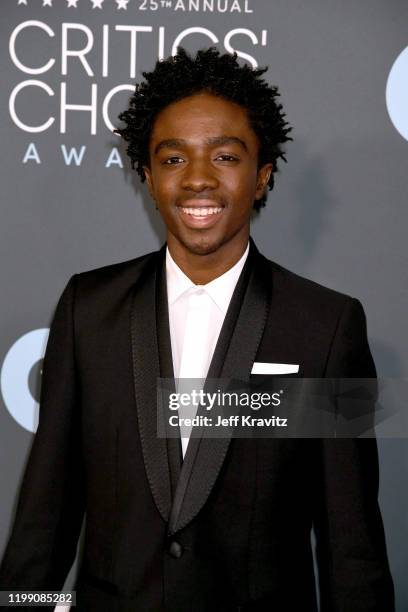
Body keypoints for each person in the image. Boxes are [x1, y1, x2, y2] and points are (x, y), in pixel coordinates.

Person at [0, 46, 394, 611]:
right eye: (174, 159)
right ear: (147, 175)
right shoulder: (87, 310)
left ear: (262, 176)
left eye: (226, 157)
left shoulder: (327, 327)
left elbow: (351, 544)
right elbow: (44, 521)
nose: (199, 181)